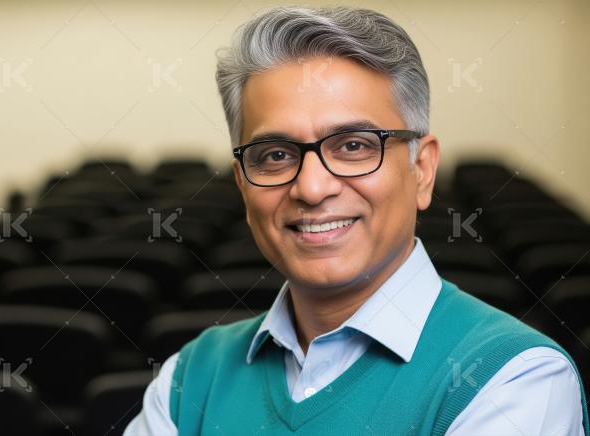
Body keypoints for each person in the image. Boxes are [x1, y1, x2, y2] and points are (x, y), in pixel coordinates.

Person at [124, 6, 588, 435]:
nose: (311, 188)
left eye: (353, 146)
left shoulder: (515, 378)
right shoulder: (187, 379)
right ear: (244, 186)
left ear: (422, 170)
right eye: (276, 154)